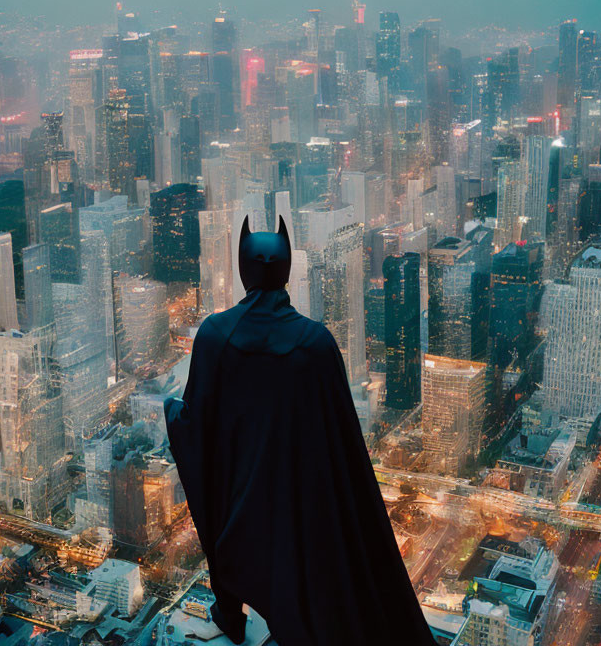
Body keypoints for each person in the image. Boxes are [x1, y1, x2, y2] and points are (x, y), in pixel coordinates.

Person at [164, 216, 436, 645]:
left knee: (214, 497)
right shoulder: (316, 343)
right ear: (287, 270)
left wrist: (170, 411)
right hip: (303, 516)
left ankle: (229, 615)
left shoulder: (215, 336)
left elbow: (196, 431)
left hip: (240, 519)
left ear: (242, 269)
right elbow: (344, 446)